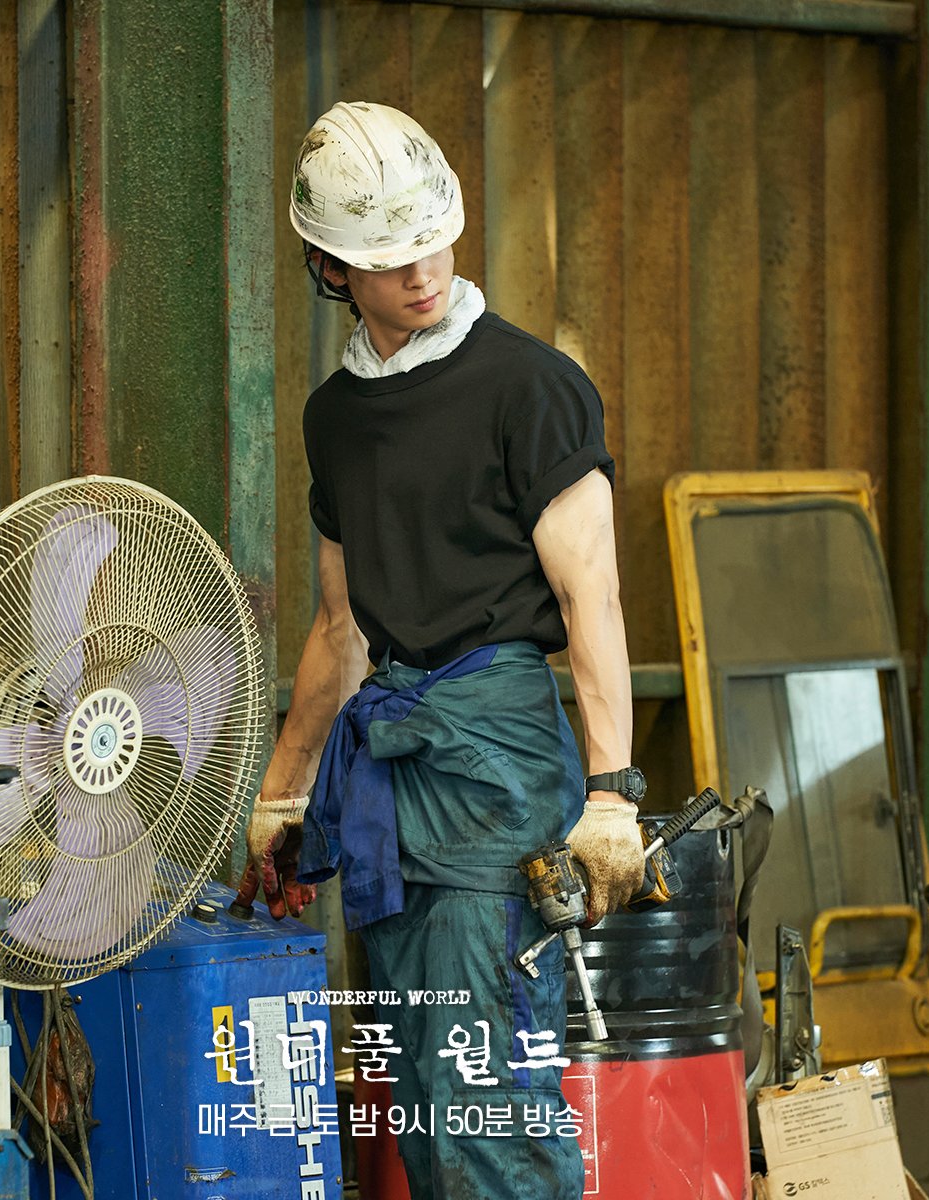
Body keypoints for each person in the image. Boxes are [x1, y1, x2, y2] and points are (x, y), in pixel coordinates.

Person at [236, 101, 646, 1200]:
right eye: (388, 259)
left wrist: (609, 794)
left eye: (432, 244)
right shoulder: (336, 419)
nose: (420, 274)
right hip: (390, 789)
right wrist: (282, 795)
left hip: (498, 764)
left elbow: (591, 595)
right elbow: (342, 629)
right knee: (419, 1094)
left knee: (488, 1097)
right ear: (331, 267)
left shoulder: (531, 386)